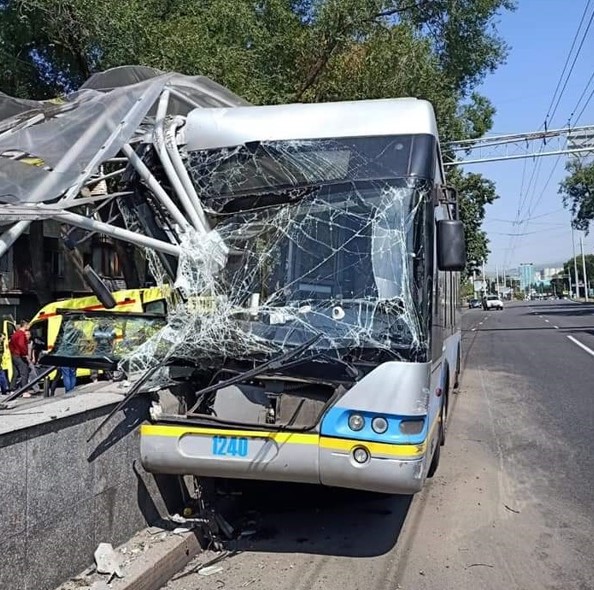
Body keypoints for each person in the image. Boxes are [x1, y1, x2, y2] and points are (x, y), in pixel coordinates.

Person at [9, 320, 30, 393]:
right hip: (19, 355)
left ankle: (12, 389)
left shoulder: (15, 334)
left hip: (14, 355)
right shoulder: (21, 334)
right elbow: (21, 344)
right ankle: (25, 391)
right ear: (26, 325)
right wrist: (25, 354)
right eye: (28, 325)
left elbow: (10, 344)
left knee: (16, 373)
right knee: (25, 372)